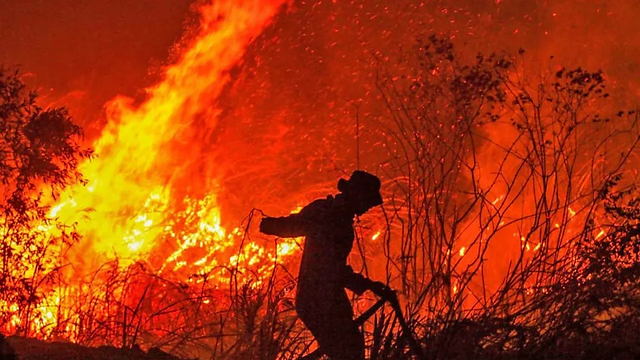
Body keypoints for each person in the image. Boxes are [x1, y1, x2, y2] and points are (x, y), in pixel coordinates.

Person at [260, 170, 389, 360]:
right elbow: (330, 267)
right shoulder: (329, 214)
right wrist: (272, 225)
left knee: (349, 351)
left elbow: (333, 265)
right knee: (349, 353)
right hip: (319, 300)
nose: (368, 207)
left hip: (325, 299)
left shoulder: (336, 216)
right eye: (367, 201)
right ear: (356, 196)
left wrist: (369, 285)